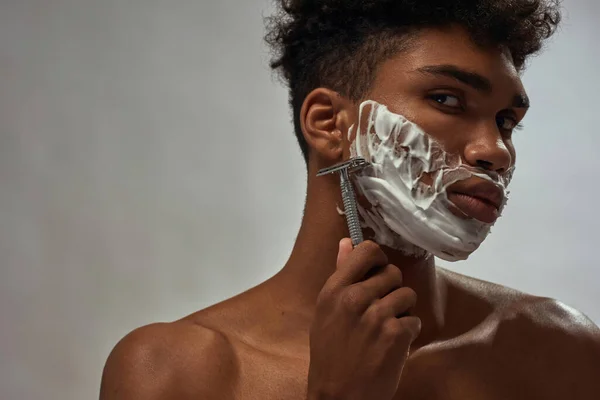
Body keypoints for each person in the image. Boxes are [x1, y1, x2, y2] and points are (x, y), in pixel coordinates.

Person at [100, 1, 600, 399]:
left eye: (505, 122)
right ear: (328, 124)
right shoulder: (177, 374)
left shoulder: (556, 347)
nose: (494, 151)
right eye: (447, 99)